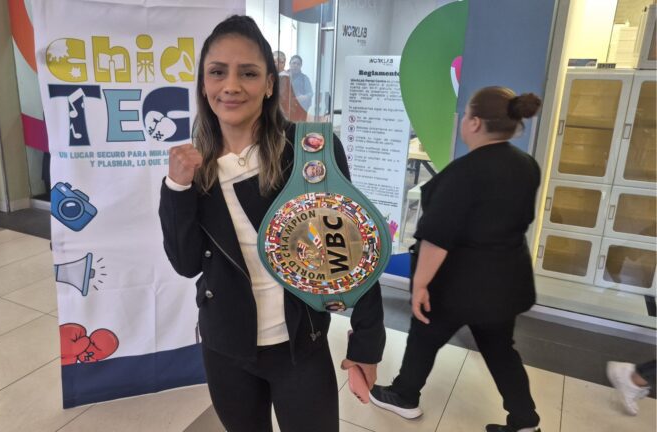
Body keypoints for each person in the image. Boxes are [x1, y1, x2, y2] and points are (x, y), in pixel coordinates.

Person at [159, 15, 385, 432]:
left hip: (301, 345)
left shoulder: (310, 152)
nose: (231, 86)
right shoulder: (196, 168)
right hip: (227, 348)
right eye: (217, 72)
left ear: (268, 85)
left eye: (248, 73)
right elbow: (186, 263)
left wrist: (367, 342)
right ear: (204, 85)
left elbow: (357, 251)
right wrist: (176, 187)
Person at [369, 86, 543, 432]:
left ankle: (404, 396)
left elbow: (438, 238)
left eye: (465, 115)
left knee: (424, 336)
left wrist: (419, 285)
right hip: (505, 282)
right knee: (500, 349)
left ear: (475, 123)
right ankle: (525, 421)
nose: (463, 121)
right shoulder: (527, 165)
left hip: (458, 283)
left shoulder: (465, 172)